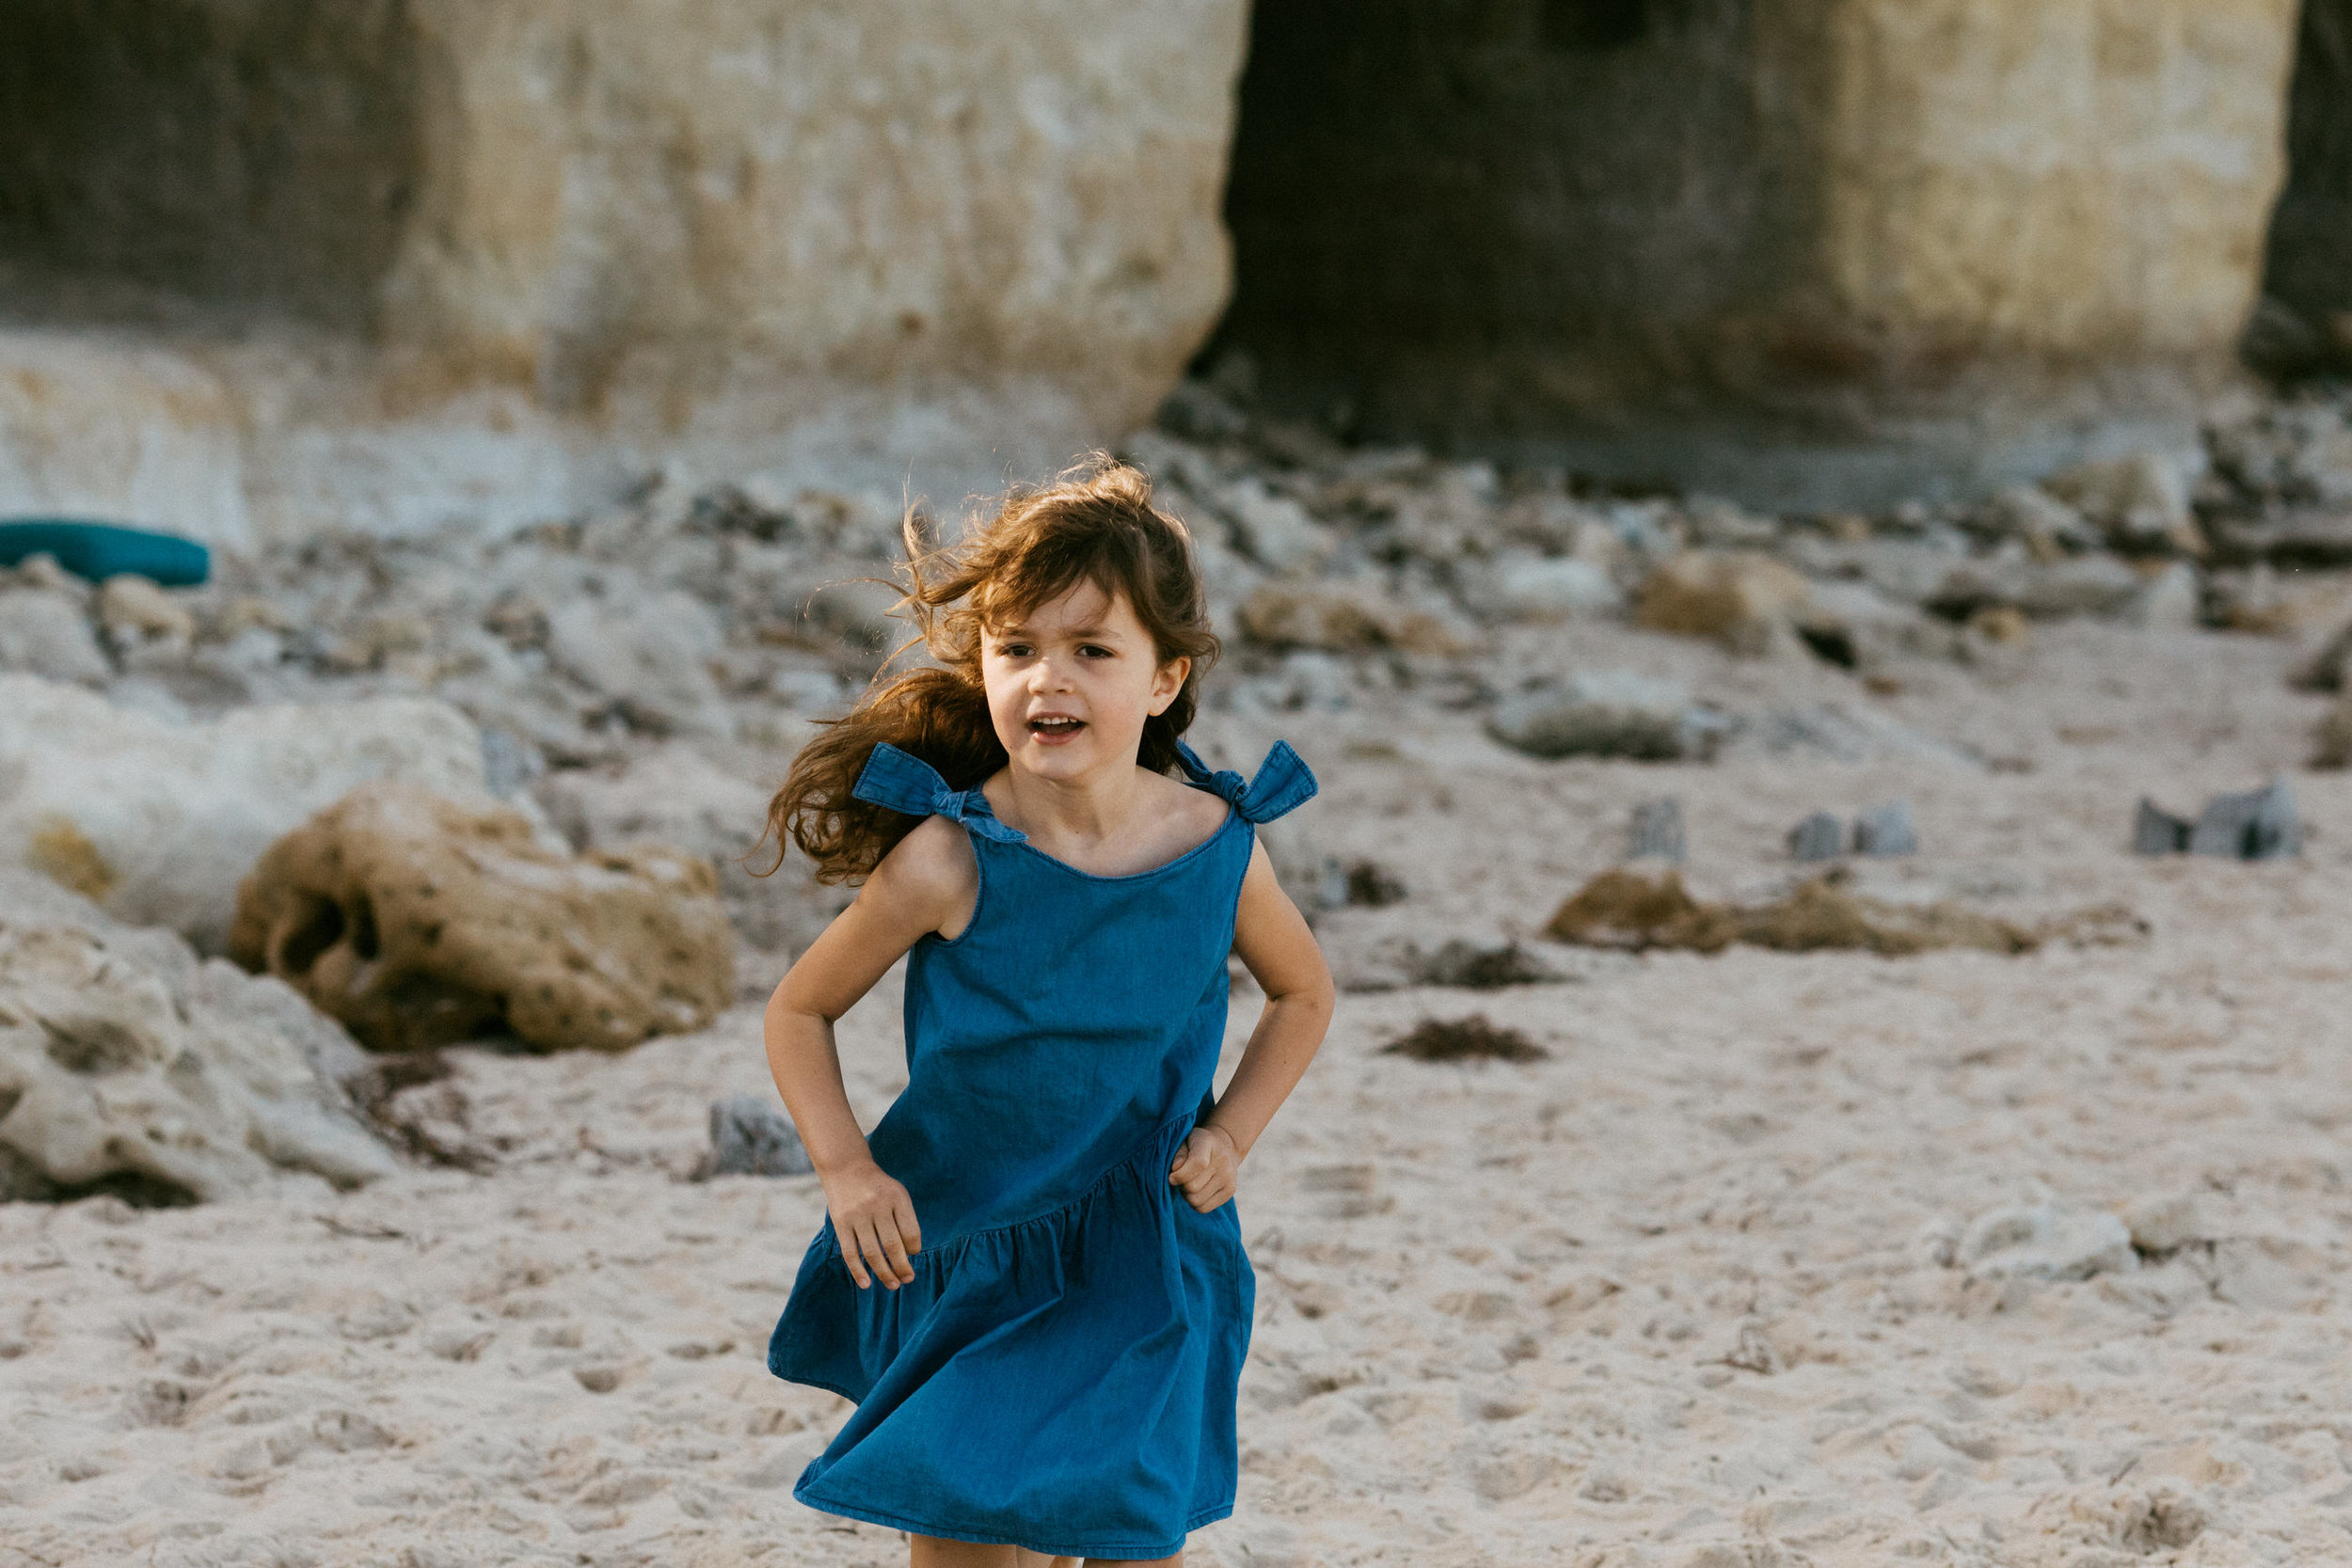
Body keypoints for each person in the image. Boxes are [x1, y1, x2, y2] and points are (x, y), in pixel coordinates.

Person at [756, 456, 1336, 1566]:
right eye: (1015, 647)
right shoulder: (948, 857)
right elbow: (798, 1010)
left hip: (1143, 1253)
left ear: (1163, 680)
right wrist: (847, 1169)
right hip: (974, 1244)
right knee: (966, 1537)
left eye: (1089, 650)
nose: (1045, 677)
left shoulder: (1216, 850)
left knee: (1127, 1534)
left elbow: (1302, 993)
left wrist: (1230, 1132)